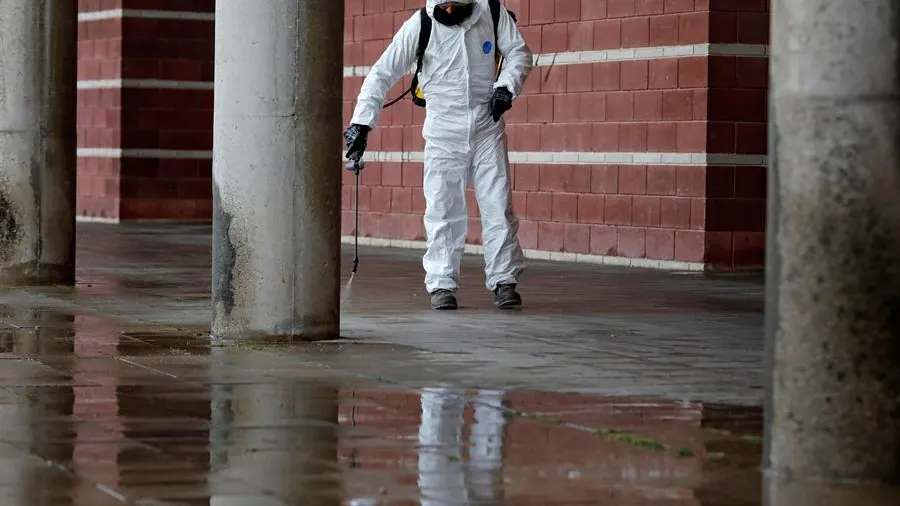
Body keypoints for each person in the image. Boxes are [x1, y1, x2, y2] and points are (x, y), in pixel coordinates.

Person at [344, 0, 533, 311]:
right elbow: (382, 73)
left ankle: (504, 280)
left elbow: (518, 53)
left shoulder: (492, 13)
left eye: (454, 7)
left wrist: (506, 87)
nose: (447, 12)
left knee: (498, 205)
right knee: (443, 209)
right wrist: (361, 123)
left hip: (487, 126)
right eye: (443, 6)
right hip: (443, 132)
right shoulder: (420, 24)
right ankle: (442, 283)